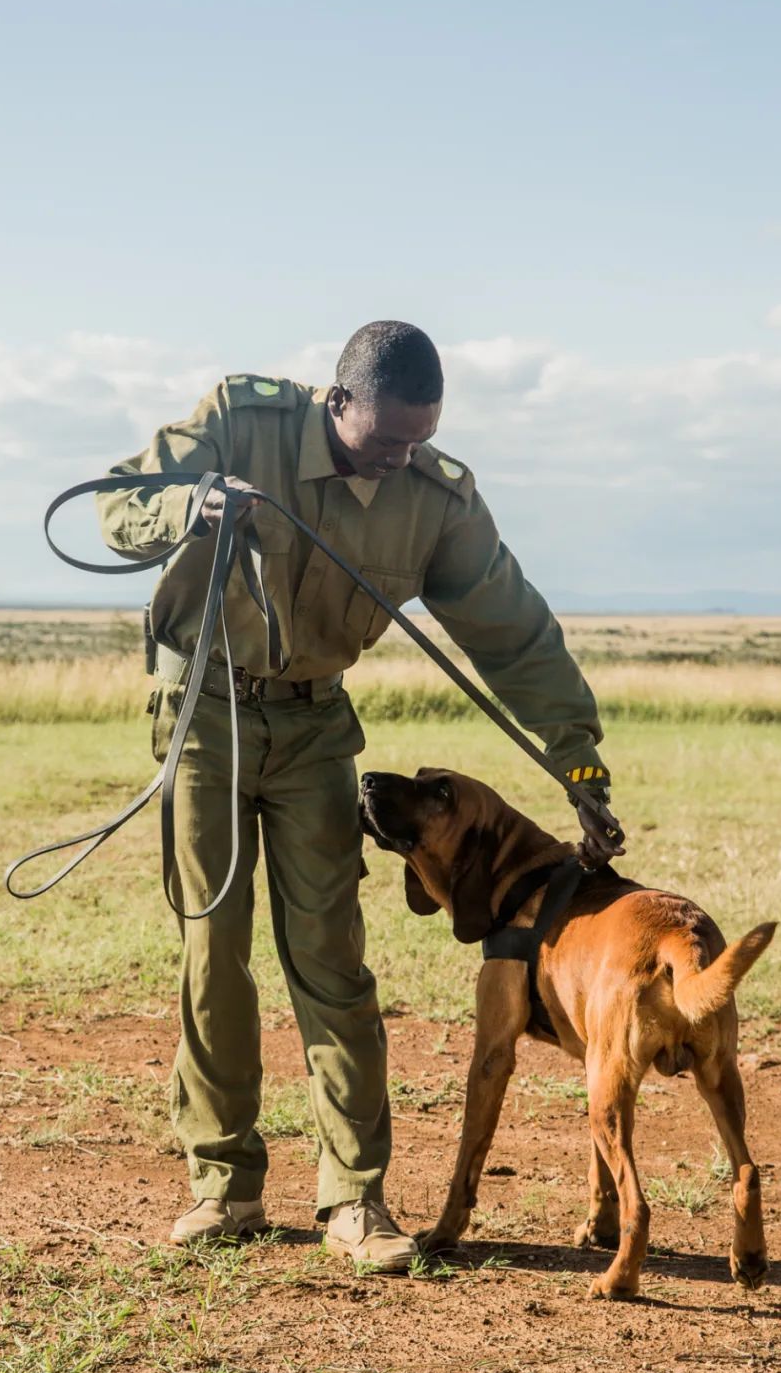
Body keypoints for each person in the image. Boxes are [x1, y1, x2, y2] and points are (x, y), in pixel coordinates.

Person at [97, 321, 623, 1271]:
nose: (398, 458)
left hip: (313, 730)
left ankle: (355, 1200)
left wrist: (577, 761)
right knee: (214, 947)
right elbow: (114, 511)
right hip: (204, 711)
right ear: (336, 402)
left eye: (416, 440)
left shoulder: (435, 499)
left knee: (332, 956)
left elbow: (514, 632)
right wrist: (191, 507)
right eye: (384, 440)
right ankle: (226, 1186)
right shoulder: (236, 419)